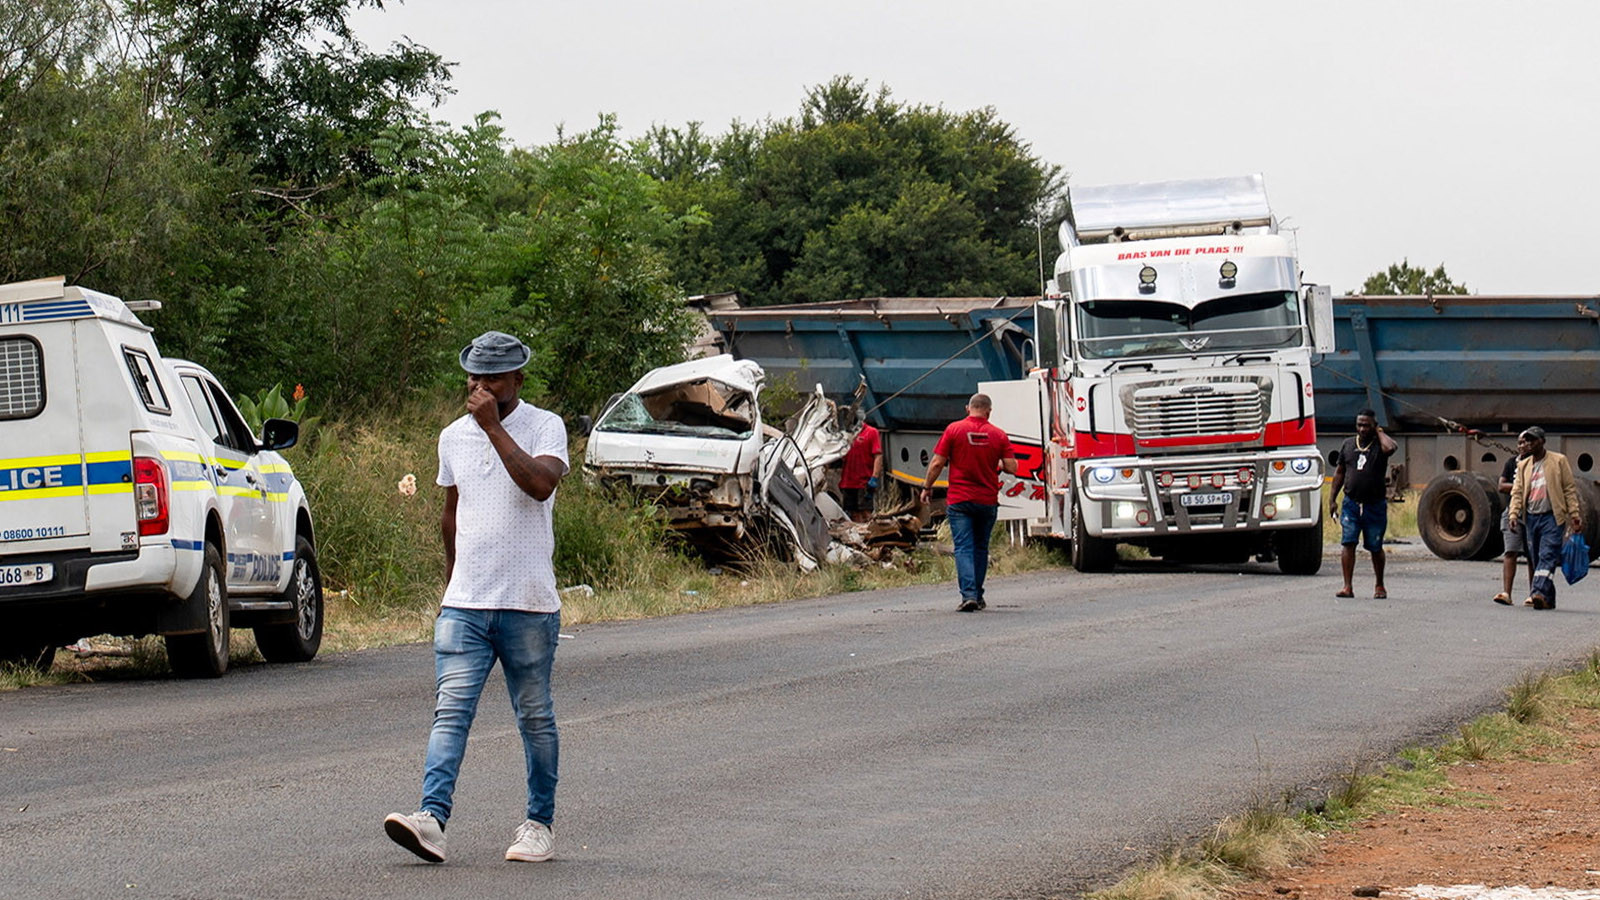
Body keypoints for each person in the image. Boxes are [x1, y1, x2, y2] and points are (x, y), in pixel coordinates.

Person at [385, 331, 570, 864]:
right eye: (474, 377)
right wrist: (450, 586)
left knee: (534, 717)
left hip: (529, 603)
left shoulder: (544, 427)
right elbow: (452, 511)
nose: (480, 386)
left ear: (517, 380)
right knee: (450, 713)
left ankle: (538, 825)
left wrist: (492, 428)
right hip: (466, 602)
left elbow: (540, 485)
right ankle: (432, 819)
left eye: (492, 378)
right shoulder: (452, 437)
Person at [919, 393, 1017, 612]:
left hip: (960, 500)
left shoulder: (954, 430)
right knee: (981, 547)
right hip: (987, 500)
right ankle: (978, 594)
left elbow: (936, 463)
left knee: (963, 547)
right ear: (988, 411)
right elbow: (1012, 467)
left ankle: (969, 595)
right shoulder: (998, 435)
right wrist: (997, 464)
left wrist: (927, 487)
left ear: (968, 408)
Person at [1507, 426, 1582, 610]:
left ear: (1542, 441)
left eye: (1533, 440)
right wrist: (1513, 514)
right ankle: (1548, 600)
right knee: (1535, 558)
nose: (1529, 444)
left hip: (1552, 517)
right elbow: (1517, 492)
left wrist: (1574, 514)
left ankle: (1538, 592)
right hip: (1531, 517)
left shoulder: (1558, 461)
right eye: (1527, 440)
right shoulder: (1523, 465)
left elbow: (1568, 489)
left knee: (1547, 555)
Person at [1329, 408, 1398, 599]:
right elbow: (1340, 472)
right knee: (1348, 543)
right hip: (1351, 503)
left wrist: (1380, 432)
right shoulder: (1348, 444)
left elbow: (1391, 448)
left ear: (1374, 426)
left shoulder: (1379, 445)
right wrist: (1332, 499)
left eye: (1366, 425)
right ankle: (1347, 586)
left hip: (1374, 505)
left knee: (1375, 547)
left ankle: (1379, 585)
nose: (1362, 429)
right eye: (1359, 425)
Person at [1492, 434, 1535, 605]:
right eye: (1520, 442)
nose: (1522, 445)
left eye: (1526, 442)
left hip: (1532, 512)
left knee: (1532, 555)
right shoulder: (1512, 463)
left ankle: (1533, 593)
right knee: (1510, 551)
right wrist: (1520, 487)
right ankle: (1506, 593)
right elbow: (1501, 485)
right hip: (1513, 512)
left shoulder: (1537, 464)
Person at [839, 418, 883, 522]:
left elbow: (878, 456)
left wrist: (874, 478)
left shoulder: (871, 432)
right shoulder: (844, 435)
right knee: (853, 514)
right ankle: (859, 536)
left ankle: (871, 534)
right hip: (848, 482)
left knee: (866, 513)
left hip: (864, 482)